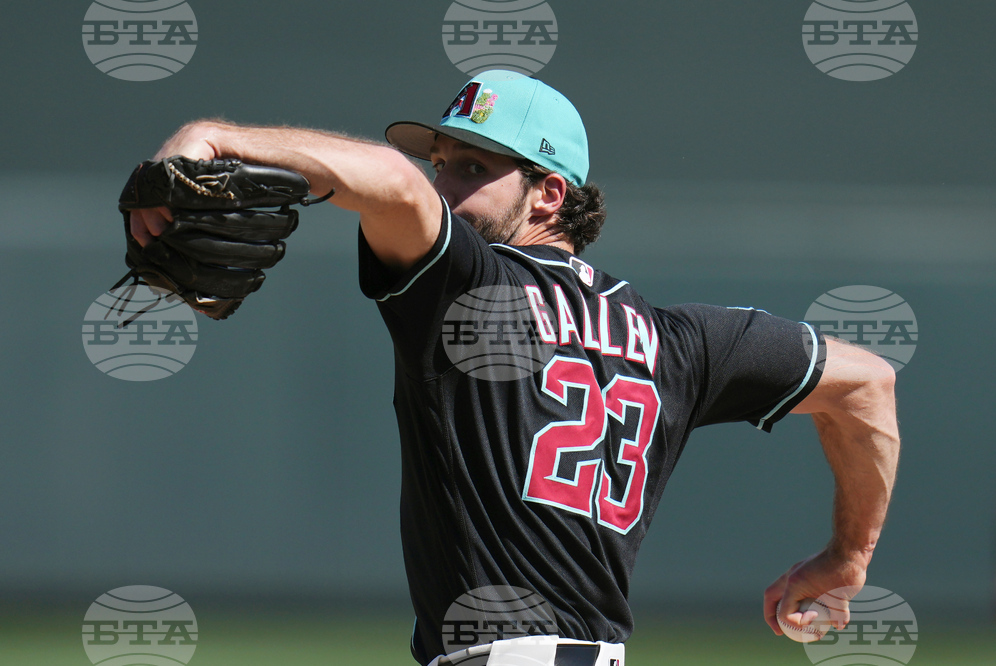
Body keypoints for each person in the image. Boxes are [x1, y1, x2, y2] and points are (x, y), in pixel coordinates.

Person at [127, 71, 900, 666]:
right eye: (442, 164)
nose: (443, 187)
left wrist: (213, 135)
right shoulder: (678, 342)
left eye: (471, 168)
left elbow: (389, 185)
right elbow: (866, 382)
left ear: (549, 193)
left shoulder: (472, 289)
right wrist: (847, 558)